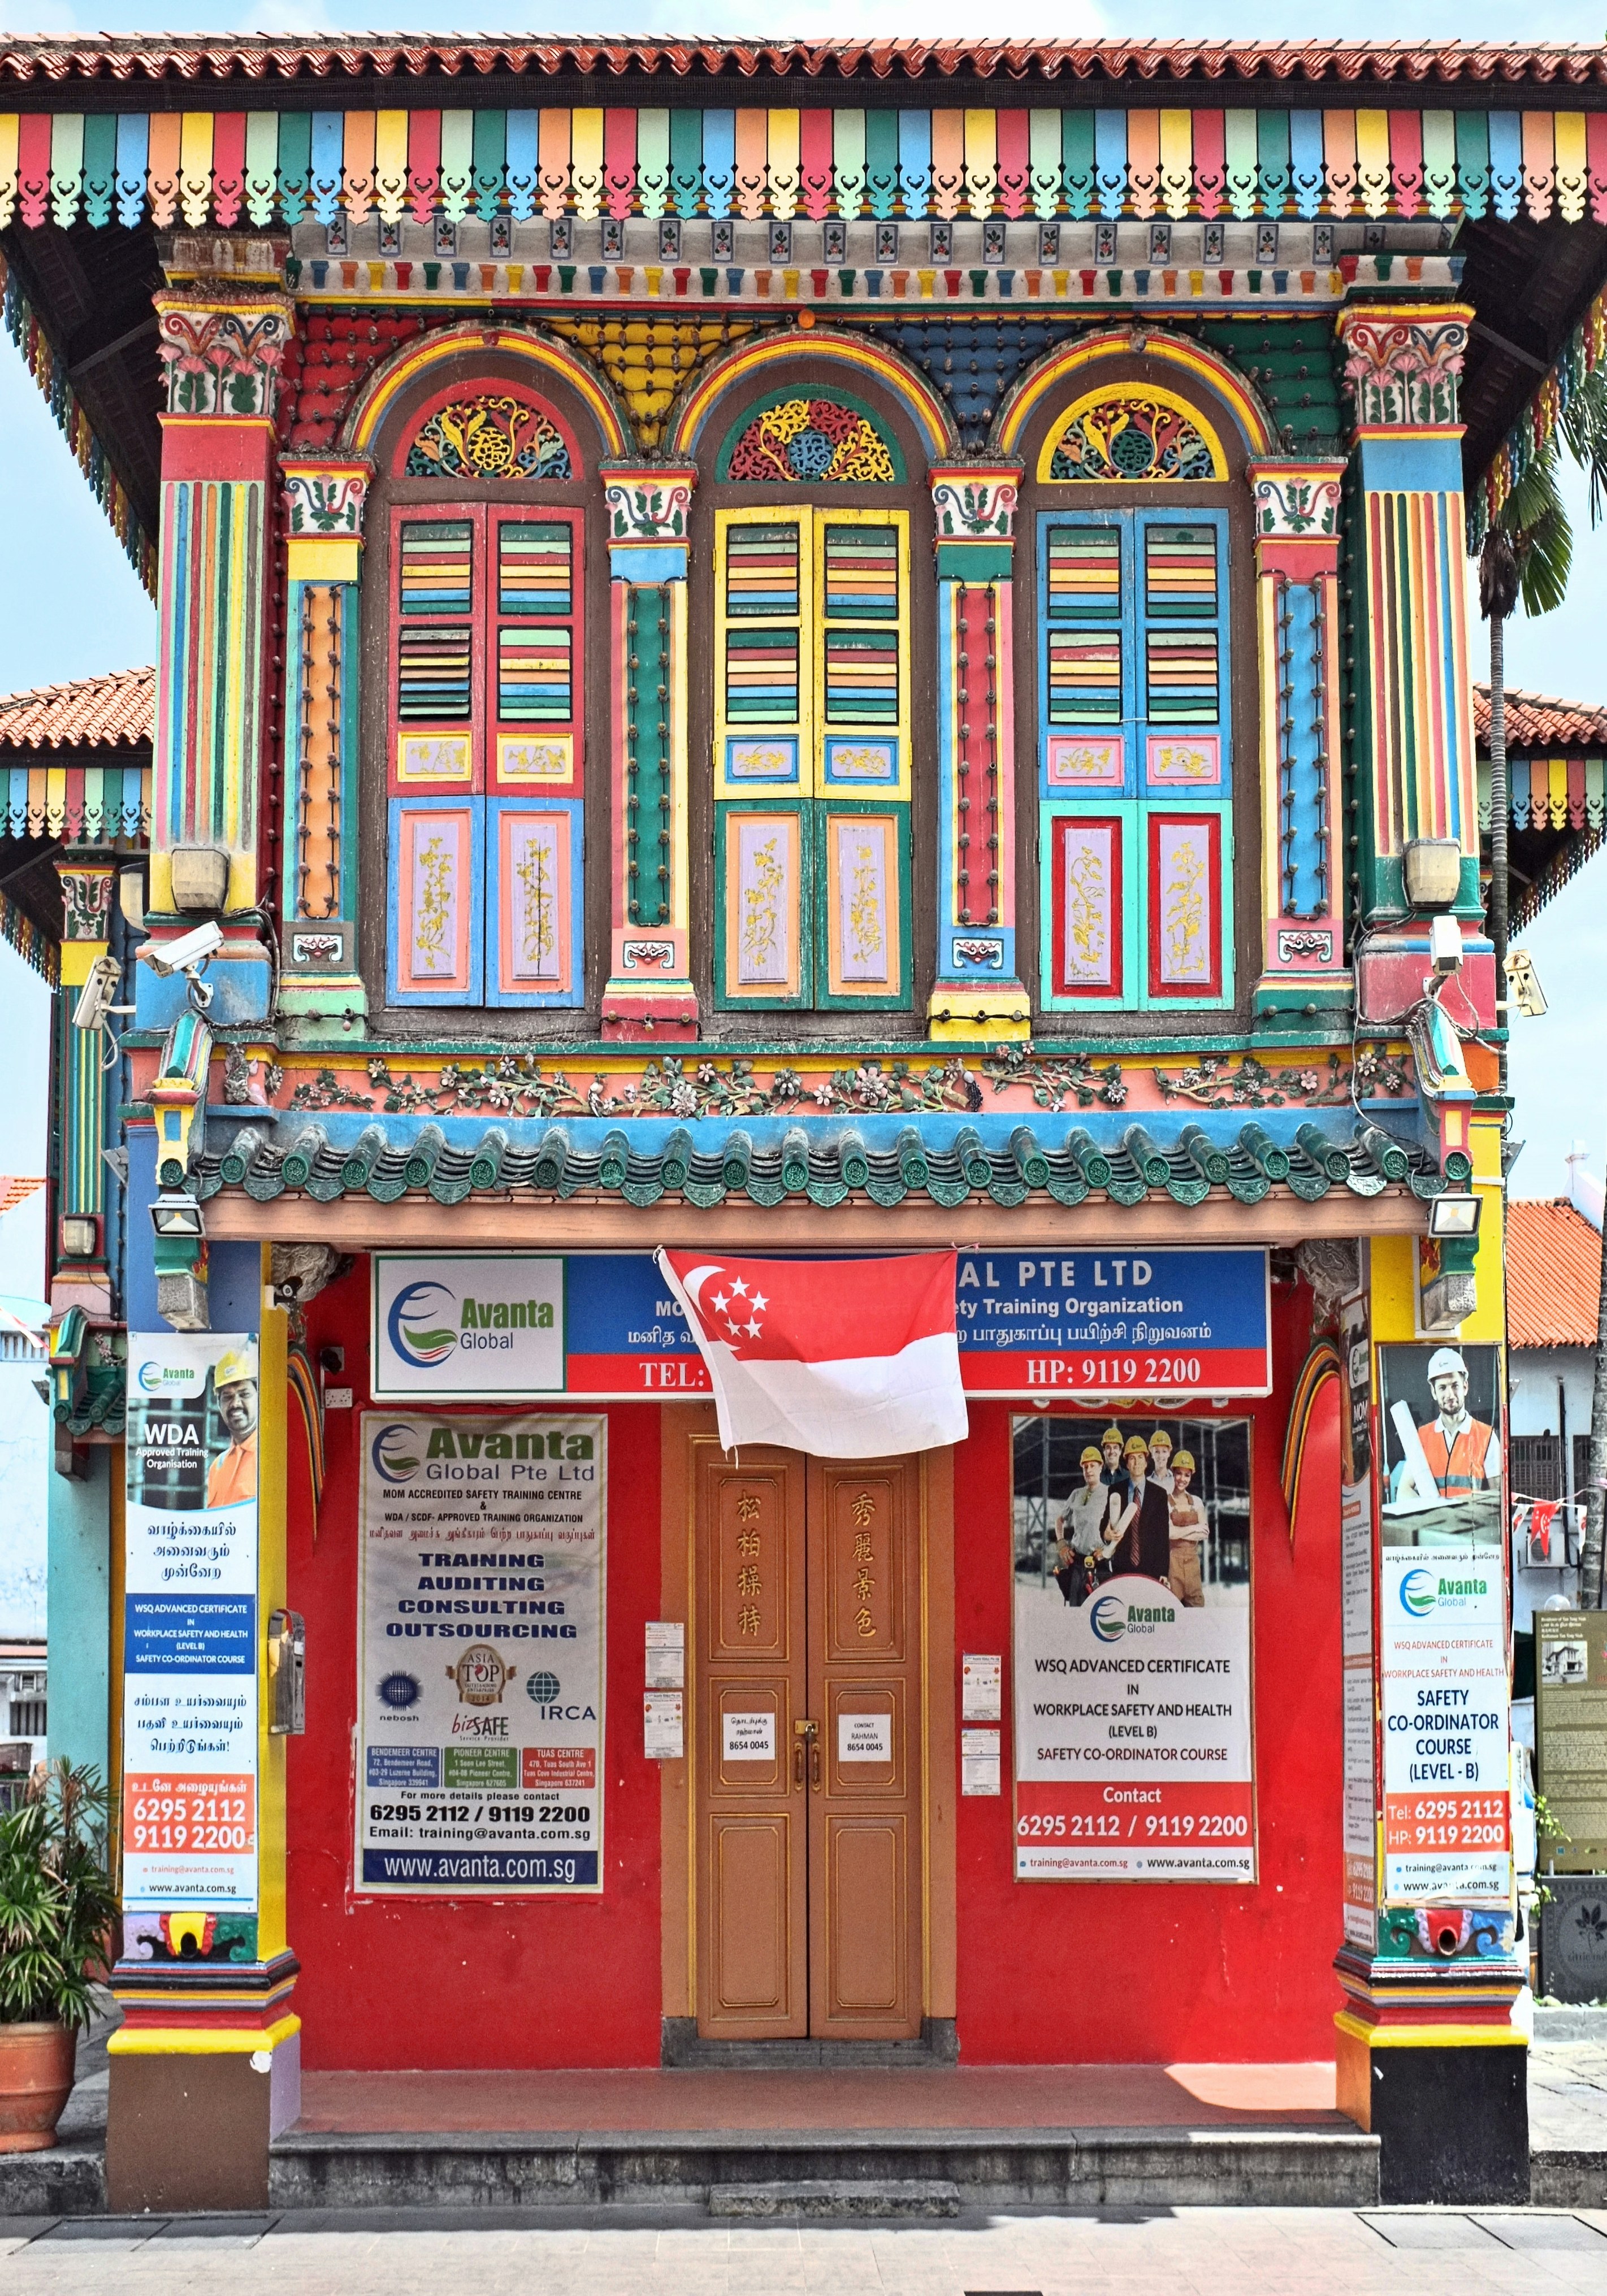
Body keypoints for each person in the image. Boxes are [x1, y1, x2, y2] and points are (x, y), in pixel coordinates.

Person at [1414, 1347, 1501, 1499]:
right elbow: (1404, 1491)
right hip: (1435, 1516)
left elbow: (1498, 1496)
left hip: (1473, 1516)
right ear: (1434, 1392)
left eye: (1455, 1386)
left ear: (1465, 1387)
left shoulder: (1487, 1437)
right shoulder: (1422, 1437)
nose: (1450, 1395)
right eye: (1442, 1388)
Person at [1055, 1447, 1123, 1605]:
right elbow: (1059, 1520)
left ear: (1101, 1467)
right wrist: (1061, 1545)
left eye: (1093, 1466)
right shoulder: (1076, 1494)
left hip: (1100, 1564)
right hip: (1077, 1563)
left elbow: (1120, 1530)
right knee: (1076, 1610)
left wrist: (1108, 1550)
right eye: (1085, 1467)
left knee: (1101, 1610)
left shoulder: (1111, 1494)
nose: (1089, 1470)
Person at [1110, 1434, 1172, 1582]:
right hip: (1122, 1567)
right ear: (1127, 1464)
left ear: (1146, 1462)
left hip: (1151, 1569)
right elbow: (1106, 1524)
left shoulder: (1159, 1495)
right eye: (1132, 1458)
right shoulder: (1115, 1491)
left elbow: (1163, 1536)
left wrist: (1163, 1571)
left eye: (1140, 1457)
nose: (1137, 1462)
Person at [206, 1343, 259, 1507]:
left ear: (259, 1397)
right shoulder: (217, 1467)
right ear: (218, 1404)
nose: (235, 1403)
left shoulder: (270, 1457)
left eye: (244, 1394)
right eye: (228, 1397)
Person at [1166, 1449, 1210, 1607]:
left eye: (1187, 1475)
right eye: (1179, 1473)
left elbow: (1205, 1533)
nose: (1182, 1479)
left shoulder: (1197, 1501)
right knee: (1172, 1607)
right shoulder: (1165, 1501)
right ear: (1173, 1473)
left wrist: (1179, 1532)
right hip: (1172, 1564)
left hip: (1193, 1564)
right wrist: (1194, 1528)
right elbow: (1169, 1533)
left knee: (1197, 1607)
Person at [1099, 1426, 1130, 1507]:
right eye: (1108, 1448)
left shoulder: (1129, 1477)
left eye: (1115, 1448)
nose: (1112, 1452)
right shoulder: (1096, 1476)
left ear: (1120, 1451)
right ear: (1104, 1451)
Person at [1147, 1429, 1175, 1494]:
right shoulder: (1147, 1483)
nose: (1160, 1456)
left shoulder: (1176, 1481)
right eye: (1157, 1452)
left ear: (1169, 1454)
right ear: (1152, 1455)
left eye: (1164, 1451)